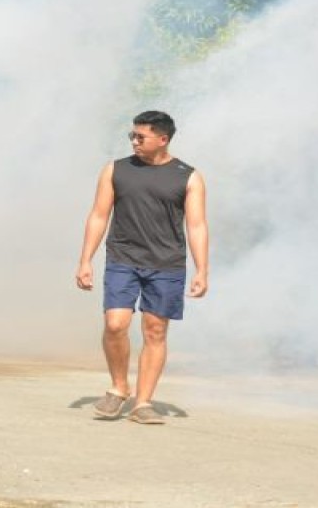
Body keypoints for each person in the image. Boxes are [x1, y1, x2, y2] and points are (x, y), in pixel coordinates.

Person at [76, 111, 208, 425]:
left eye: (141, 137)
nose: (134, 141)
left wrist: (202, 269)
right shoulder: (115, 170)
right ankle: (119, 387)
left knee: (155, 330)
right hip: (123, 258)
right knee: (116, 324)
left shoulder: (188, 176)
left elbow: (197, 225)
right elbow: (98, 215)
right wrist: (85, 260)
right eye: (132, 136)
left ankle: (143, 402)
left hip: (166, 264)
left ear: (163, 139)